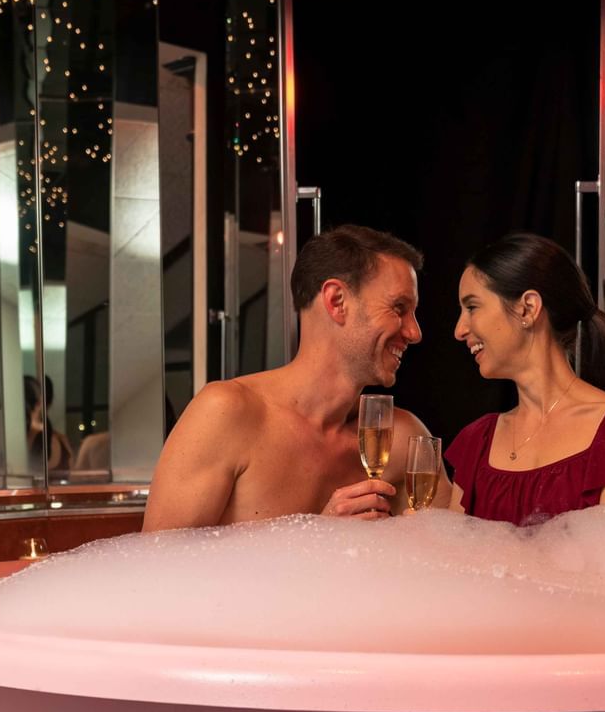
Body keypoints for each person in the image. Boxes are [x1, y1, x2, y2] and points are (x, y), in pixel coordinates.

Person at [143, 224, 444, 530]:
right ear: (337, 301)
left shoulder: (401, 439)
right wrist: (312, 537)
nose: (414, 332)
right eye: (399, 308)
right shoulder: (226, 413)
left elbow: (454, 554)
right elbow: (156, 567)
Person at [446, 233, 605, 525]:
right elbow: (452, 562)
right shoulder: (476, 443)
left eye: (472, 307)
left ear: (528, 307)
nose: (459, 329)